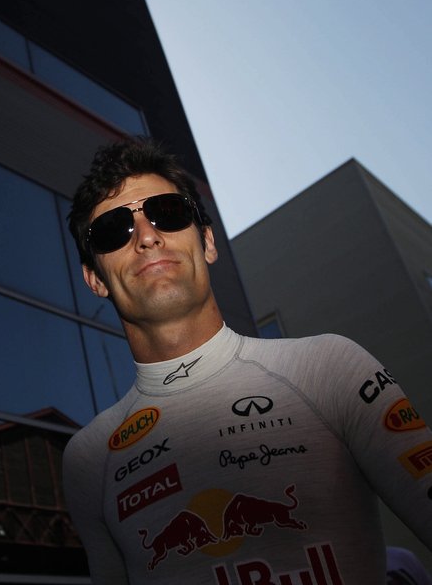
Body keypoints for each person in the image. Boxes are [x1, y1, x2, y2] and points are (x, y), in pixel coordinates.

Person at [63, 138, 432, 585]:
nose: (147, 236)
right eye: (112, 230)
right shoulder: (88, 459)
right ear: (94, 279)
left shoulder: (330, 368)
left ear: (208, 241)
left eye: (168, 212)